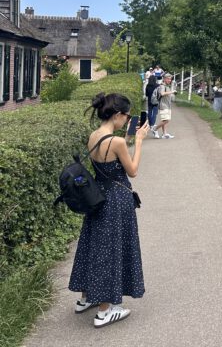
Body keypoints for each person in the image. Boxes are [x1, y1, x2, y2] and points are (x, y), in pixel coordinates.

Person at [68, 92, 148, 327]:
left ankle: (85, 298)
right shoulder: (118, 142)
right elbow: (132, 170)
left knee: (93, 244)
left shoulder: (94, 136)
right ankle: (106, 309)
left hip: (97, 197)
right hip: (117, 199)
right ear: (117, 115)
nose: (127, 119)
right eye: (126, 115)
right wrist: (140, 140)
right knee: (111, 249)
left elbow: (104, 162)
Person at [156, 73, 176, 139]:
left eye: (170, 79)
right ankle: (154, 128)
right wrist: (171, 92)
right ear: (164, 79)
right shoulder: (162, 86)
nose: (170, 80)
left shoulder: (166, 86)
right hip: (163, 105)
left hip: (167, 105)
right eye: (168, 79)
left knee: (164, 119)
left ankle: (164, 134)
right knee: (166, 120)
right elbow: (162, 93)